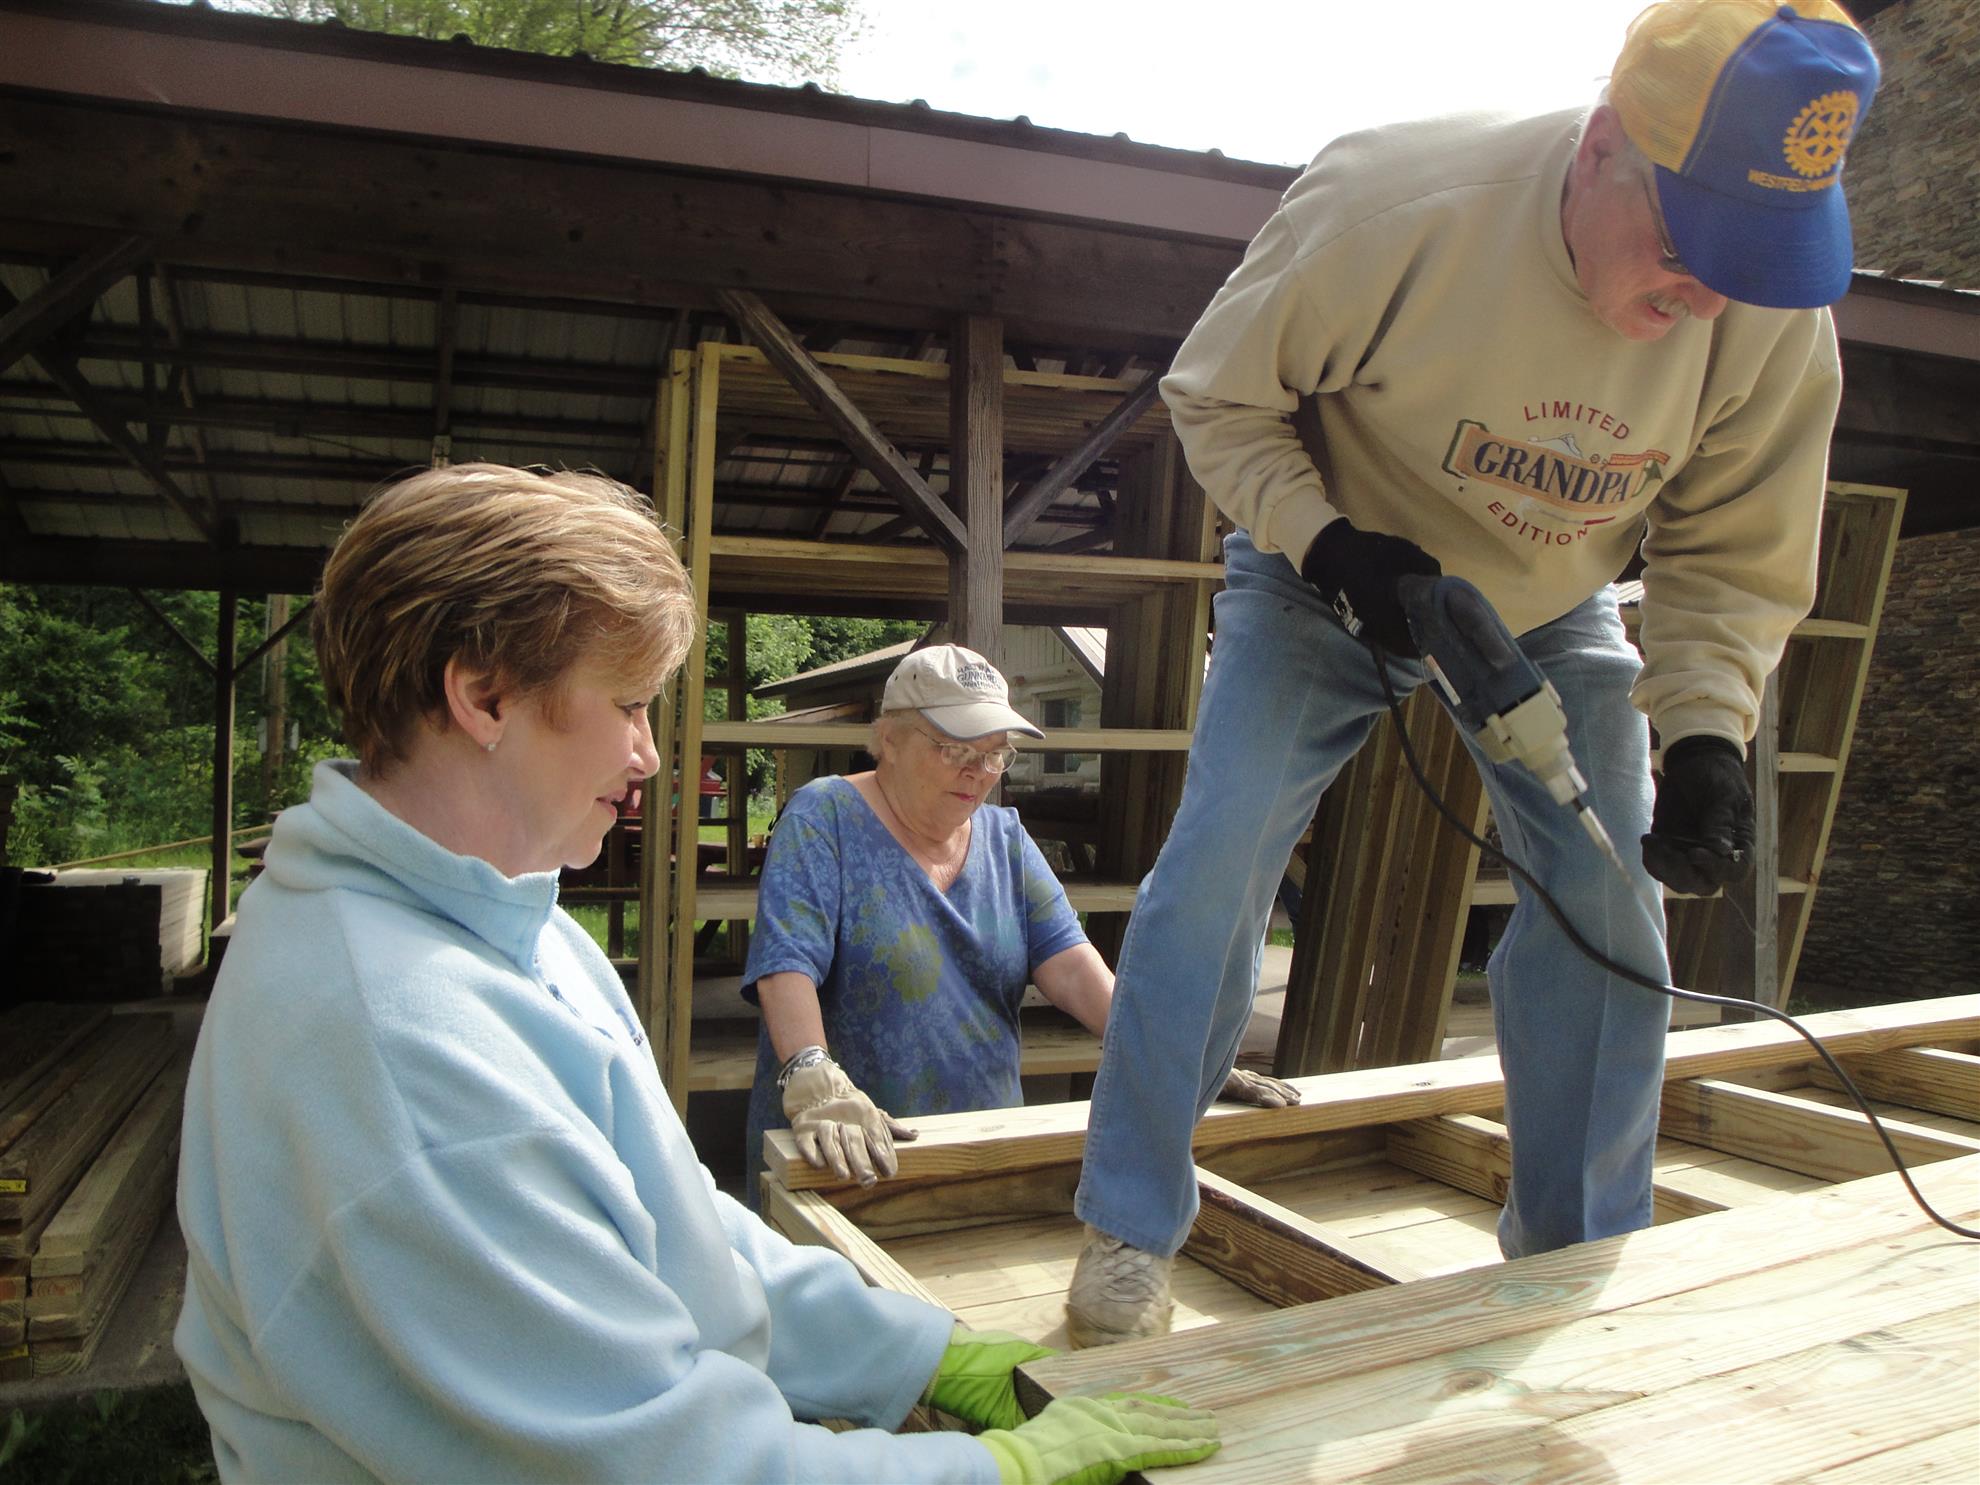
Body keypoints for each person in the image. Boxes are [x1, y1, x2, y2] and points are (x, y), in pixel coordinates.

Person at [1066, 0, 1880, 1349]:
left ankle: (1576, 1258)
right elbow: (1216, 398)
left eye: (1754, 261)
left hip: (1553, 607)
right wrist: (1331, 546)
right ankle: (1130, 1226)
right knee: (1215, 871)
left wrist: (1708, 727)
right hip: (1330, 568)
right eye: (1686, 248)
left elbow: (1732, 554)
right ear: (1605, 144)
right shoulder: (1399, 199)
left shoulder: (1770, 317)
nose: (1706, 298)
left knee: (1611, 913)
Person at [174, 464, 1221, 1483]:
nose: (652, 756)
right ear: (484, 695)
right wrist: (992, 1471)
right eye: (630, 705)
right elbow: (656, 1455)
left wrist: (915, 1353)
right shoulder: (403, 1047)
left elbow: (668, 1223)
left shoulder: (511, 925)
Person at [743, 643, 1296, 1202]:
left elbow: (1076, 970)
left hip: (982, 1154)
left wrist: (1170, 1053)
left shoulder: (1005, 838)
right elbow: (785, 965)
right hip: (844, 1157)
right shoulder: (825, 817)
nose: (978, 772)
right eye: (955, 748)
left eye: (994, 754)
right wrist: (812, 1075)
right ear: (888, 739)